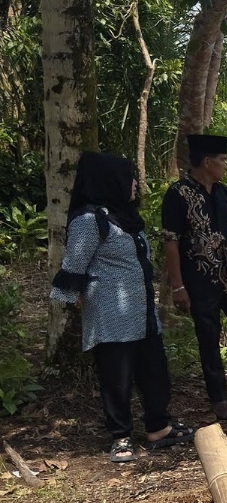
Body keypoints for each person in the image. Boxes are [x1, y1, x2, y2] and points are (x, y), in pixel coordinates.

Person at [49, 152, 195, 463]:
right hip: (111, 315)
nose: (134, 184)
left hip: (141, 312)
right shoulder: (90, 221)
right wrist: (74, 300)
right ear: (109, 181)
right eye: (128, 178)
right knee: (117, 377)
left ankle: (159, 427)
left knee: (155, 370)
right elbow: (74, 264)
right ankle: (121, 436)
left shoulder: (125, 216)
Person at [161, 134, 227, 420]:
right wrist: (178, 286)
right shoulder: (178, 194)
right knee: (209, 337)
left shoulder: (223, 193)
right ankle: (218, 397)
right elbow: (171, 241)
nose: (226, 166)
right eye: (223, 160)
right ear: (207, 161)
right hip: (200, 279)